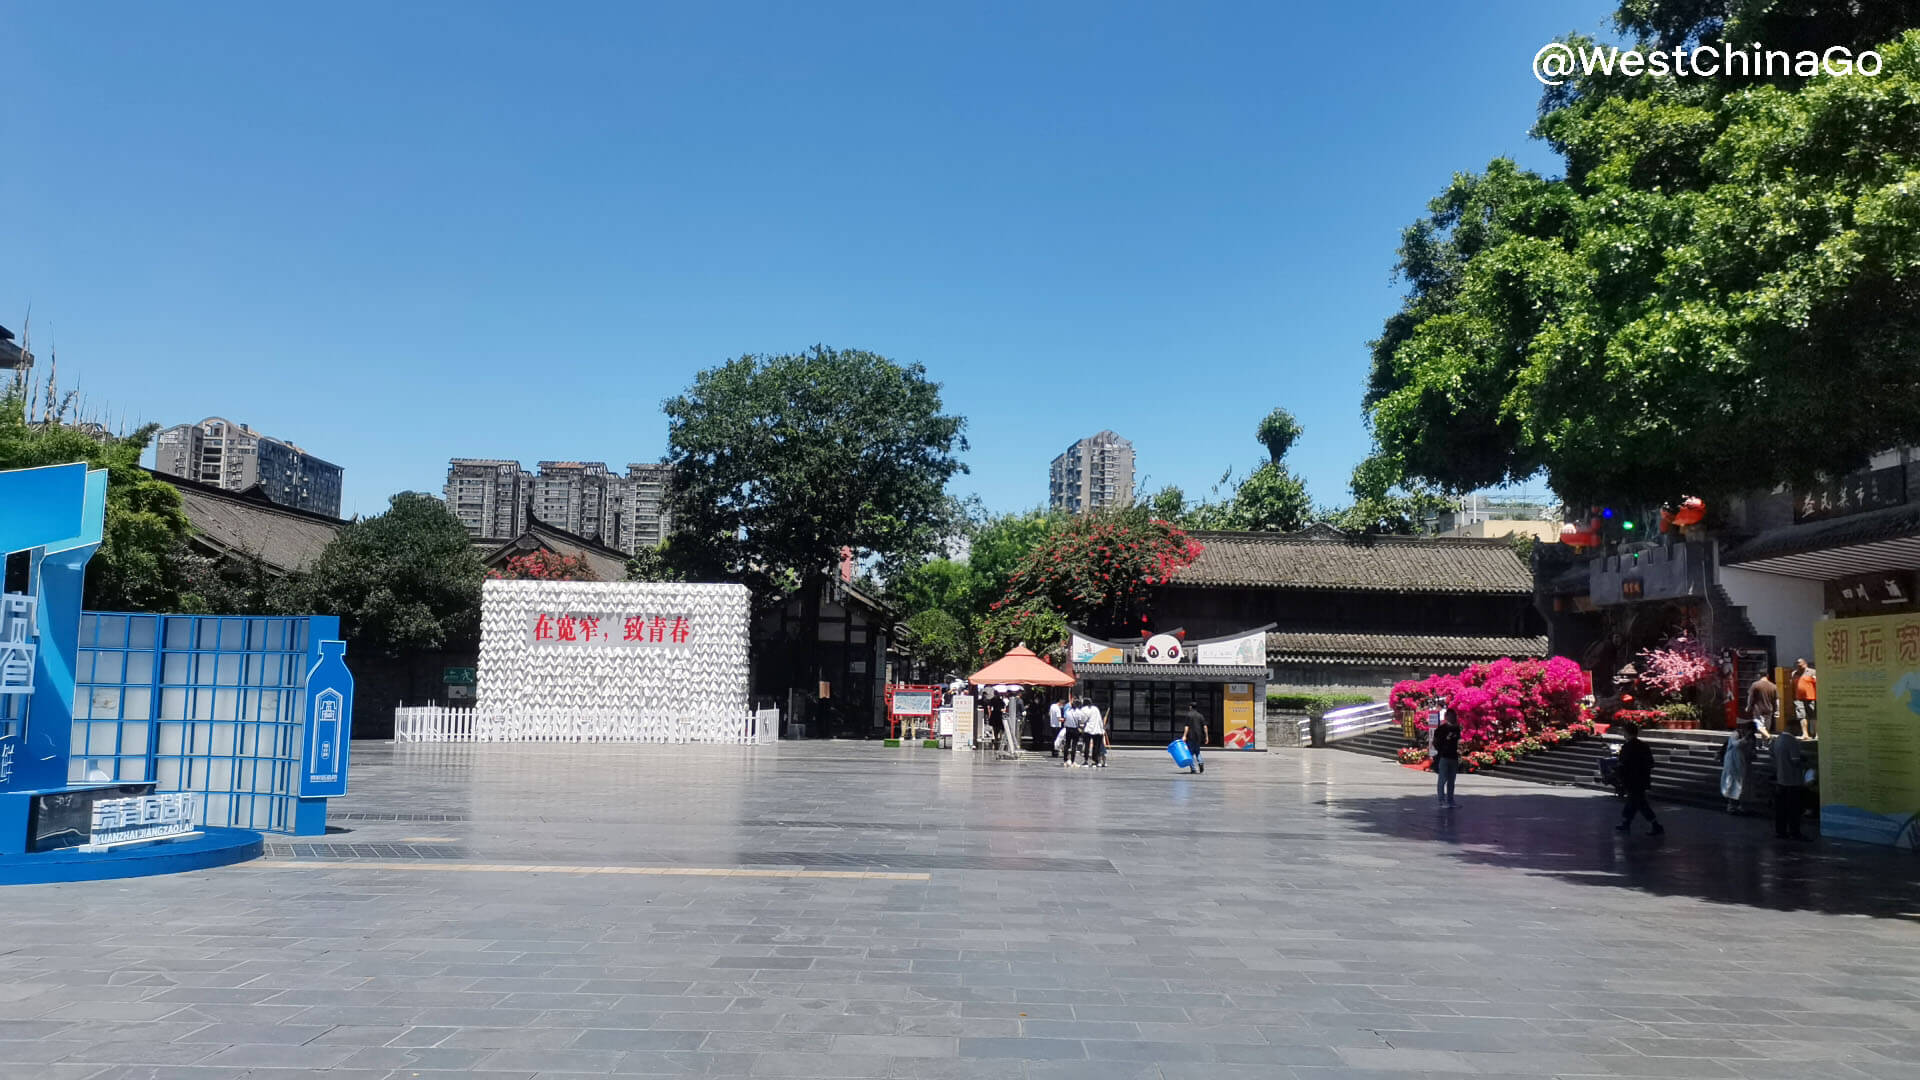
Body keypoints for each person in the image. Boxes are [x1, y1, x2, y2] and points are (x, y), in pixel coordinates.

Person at [1614, 723, 1664, 836]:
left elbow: (1622, 764)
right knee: (1635, 801)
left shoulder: (1627, 747)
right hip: (1642, 779)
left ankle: (1655, 825)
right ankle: (1626, 822)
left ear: (1626, 732)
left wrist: (1619, 775)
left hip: (1631, 780)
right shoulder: (1644, 746)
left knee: (1639, 803)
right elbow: (1651, 763)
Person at [1770, 727, 1810, 840]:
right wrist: (1803, 760)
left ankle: (1780, 831)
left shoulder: (1777, 740)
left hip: (1780, 779)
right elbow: (1795, 760)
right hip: (1792, 780)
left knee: (1781, 809)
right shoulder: (1792, 741)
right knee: (1794, 809)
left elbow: (1772, 755)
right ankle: (1795, 832)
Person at [1720, 721, 1758, 814]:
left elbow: (1752, 748)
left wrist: (1753, 753)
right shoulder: (1736, 734)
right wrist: (1745, 737)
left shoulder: (1752, 737)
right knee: (1733, 783)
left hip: (1744, 762)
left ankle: (1742, 805)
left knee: (1744, 784)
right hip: (1733, 761)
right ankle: (1731, 805)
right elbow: (1736, 745)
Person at [1430, 705, 1461, 808]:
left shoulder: (1456, 729)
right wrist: (1441, 750)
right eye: (1451, 716)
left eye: (1455, 716)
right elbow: (1435, 742)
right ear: (1447, 716)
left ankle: (1450, 800)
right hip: (1444, 757)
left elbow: (1458, 741)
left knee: (1452, 781)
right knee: (1442, 779)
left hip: (1453, 757)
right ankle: (1441, 800)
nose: (1454, 718)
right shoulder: (1441, 729)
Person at [1791, 658, 1818, 739]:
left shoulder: (1812, 672)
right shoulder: (1794, 673)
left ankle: (1817, 734)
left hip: (1811, 697)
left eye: (1800, 665)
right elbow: (1793, 686)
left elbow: (1817, 684)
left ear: (1805, 664)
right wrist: (1793, 697)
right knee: (1801, 716)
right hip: (1798, 698)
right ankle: (1805, 734)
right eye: (1797, 665)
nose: (1798, 667)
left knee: (1814, 716)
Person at [1179, 704, 1206, 774]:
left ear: (1190, 707)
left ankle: (1193, 769)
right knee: (1197, 752)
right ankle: (1200, 762)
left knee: (1190, 753)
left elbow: (1187, 727)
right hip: (1198, 737)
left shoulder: (1189, 715)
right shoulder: (1200, 715)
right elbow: (1205, 727)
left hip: (1190, 737)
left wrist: (1184, 736)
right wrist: (1207, 736)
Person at [1080, 698, 1106, 767]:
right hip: (1098, 729)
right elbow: (1100, 719)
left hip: (1088, 729)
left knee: (1087, 746)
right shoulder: (1095, 708)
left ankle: (1086, 761)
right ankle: (1096, 761)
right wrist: (1102, 728)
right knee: (1096, 746)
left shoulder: (1084, 709)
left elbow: (1082, 720)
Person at [1061, 695, 1083, 767]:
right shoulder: (1079, 712)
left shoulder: (1068, 711)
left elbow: (1065, 719)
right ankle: (1073, 761)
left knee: (1067, 744)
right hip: (1075, 729)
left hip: (1068, 729)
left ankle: (1065, 760)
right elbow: (1080, 722)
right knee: (1074, 745)